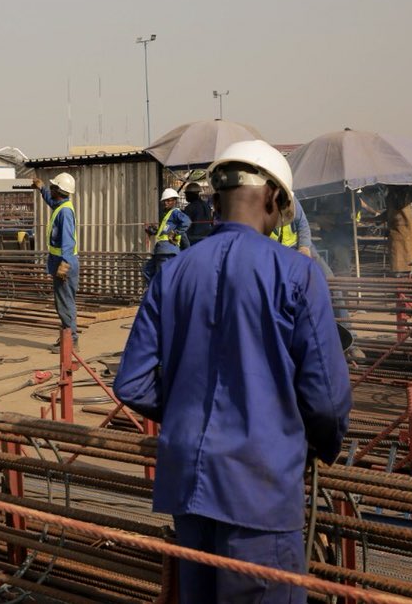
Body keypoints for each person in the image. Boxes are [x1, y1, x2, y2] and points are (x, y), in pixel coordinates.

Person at [114, 140, 352, 604]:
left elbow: (133, 381)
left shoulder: (173, 272)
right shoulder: (298, 274)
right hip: (260, 490)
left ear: (217, 199)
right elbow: (325, 397)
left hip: (188, 488)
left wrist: (189, 414)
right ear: (273, 199)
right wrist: (320, 443)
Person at [32, 172, 79, 352]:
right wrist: (41, 188)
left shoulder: (65, 212)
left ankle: (71, 342)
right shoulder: (61, 205)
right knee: (63, 302)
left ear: (59, 190)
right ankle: (68, 337)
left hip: (64, 263)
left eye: (52, 187)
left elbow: (68, 240)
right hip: (60, 261)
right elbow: (52, 202)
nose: (50, 189)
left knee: (65, 303)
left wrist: (64, 265)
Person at [142, 188, 191, 282]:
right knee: (147, 270)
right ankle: (155, 291)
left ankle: (163, 294)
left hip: (167, 251)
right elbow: (166, 232)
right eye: (165, 201)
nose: (166, 203)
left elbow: (186, 222)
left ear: (174, 201)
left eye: (169, 200)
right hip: (160, 251)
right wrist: (154, 231)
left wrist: (175, 233)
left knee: (164, 278)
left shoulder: (176, 212)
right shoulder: (167, 216)